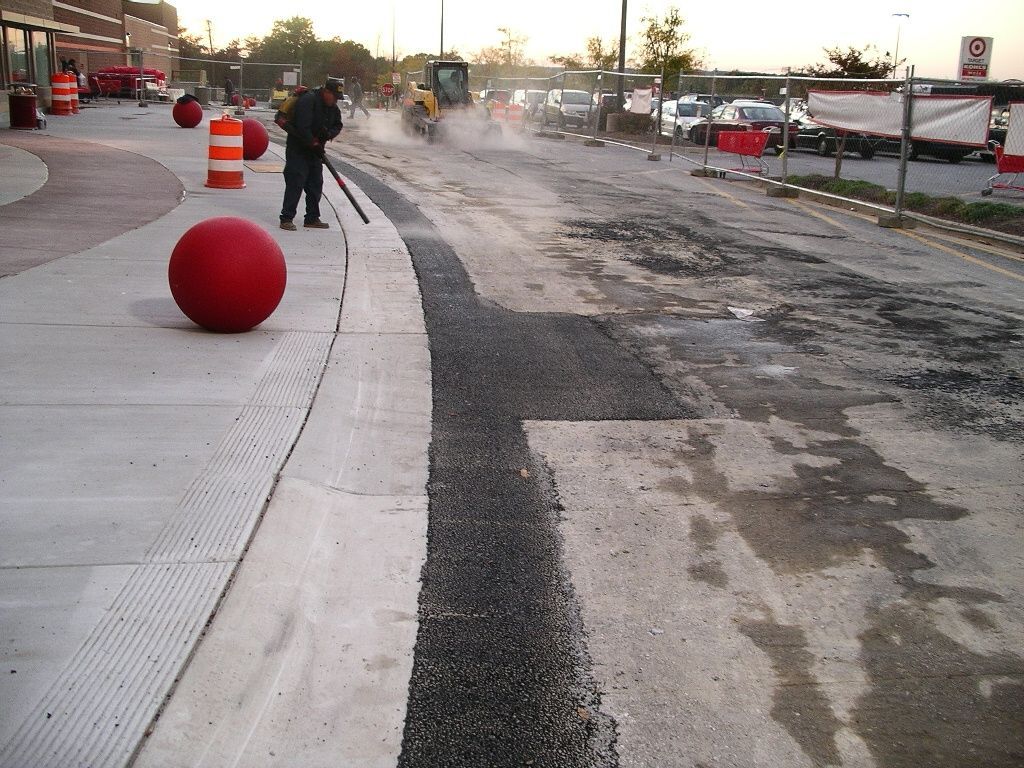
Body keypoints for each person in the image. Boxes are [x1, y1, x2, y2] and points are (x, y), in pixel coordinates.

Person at [279, 77, 344, 231]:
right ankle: (286, 218)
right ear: (326, 91)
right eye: (334, 96)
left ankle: (312, 218)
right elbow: (302, 127)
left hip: (315, 152)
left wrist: (328, 134)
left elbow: (338, 124)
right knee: (296, 182)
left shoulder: (332, 107)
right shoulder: (308, 101)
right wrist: (313, 143)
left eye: (337, 98)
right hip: (298, 149)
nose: (335, 100)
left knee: (316, 184)